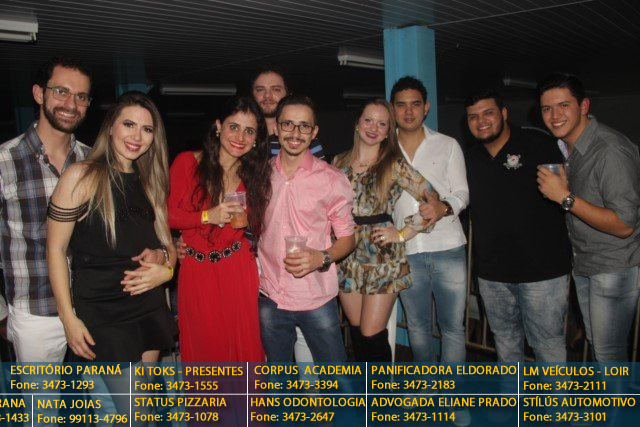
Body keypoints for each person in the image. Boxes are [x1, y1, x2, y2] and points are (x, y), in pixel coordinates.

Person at [47, 91, 177, 363]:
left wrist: (165, 269)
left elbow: (168, 246)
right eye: (129, 124)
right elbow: (55, 250)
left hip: (148, 304)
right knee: (130, 393)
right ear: (110, 127)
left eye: (147, 129)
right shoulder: (81, 176)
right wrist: (68, 318)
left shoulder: (150, 183)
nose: (137, 136)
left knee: (144, 391)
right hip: (102, 311)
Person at [464, 90, 571, 380]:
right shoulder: (468, 158)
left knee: (547, 346)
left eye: (488, 113)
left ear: (504, 113)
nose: (481, 121)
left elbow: (565, 193)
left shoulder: (538, 144)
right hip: (493, 274)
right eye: (473, 117)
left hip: (543, 272)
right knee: (506, 344)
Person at [537, 73, 640, 363]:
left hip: (614, 266)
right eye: (547, 108)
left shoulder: (609, 150)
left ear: (583, 106)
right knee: (599, 348)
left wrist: (565, 198)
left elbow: (625, 225)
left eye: (564, 105)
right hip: (585, 262)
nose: (554, 116)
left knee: (609, 354)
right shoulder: (568, 148)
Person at [0, 57, 93, 362]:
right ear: (39, 94)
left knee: (106, 393)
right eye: (61, 92)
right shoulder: (5, 161)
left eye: (81, 96)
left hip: (92, 307)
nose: (72, 104)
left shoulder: (93, 162)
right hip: (35, 314)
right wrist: (1, 313)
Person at [168, 97, 271, 362]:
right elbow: (169, 216)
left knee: (243, 349)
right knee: (205, 349)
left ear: (256, 139)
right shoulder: (187, 162)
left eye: (249, 131)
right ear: (218, 126)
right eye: (233, 127)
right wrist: (206, 216)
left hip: (238, 268)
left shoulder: (254, 176)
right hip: (196, 271)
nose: (240, 137)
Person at [333, 99, 434, 362]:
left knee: (371, 334)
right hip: (346, 254)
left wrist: (402, 233)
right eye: (368, 120)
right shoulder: (339, 162)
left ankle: (381, 390)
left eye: (382, 123)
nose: (373, 128)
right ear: (357, 123)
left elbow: (432, 201)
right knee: (357, 331)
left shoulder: (394, 164)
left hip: (382, 256)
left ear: (389, 131)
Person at [258, 94, 355, 362]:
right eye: (288, 124)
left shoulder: (333, 179)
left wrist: (321, 257)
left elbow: (348, 238)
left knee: (336, 378)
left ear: (314, 132)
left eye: (304, 126)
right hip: (270, 296)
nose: (295, 133)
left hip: (315, 297)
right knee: (278, 379)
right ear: (276, 128)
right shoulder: (261, 175)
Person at [390, 76, 469, 365]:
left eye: (415, 104)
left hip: (448, 246)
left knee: (452, 328)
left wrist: (443, 207)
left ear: (426, 107)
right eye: (401, 105)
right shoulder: (384, 149)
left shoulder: (447, 144)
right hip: (406, 249)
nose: (408, 111)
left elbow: (462, 193)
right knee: (417, 326)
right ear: (393, 109)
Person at [252, 65, 325, 159]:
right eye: (260, 90)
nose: (267, 95)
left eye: (276, 89)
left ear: (288, 94)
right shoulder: (243, 137)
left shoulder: (305, 140)